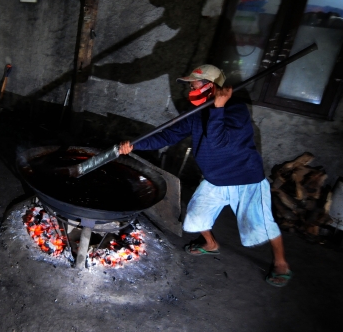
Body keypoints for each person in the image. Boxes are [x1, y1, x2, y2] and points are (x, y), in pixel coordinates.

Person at [118, 64, 293, 287]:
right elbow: (167, 136)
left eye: (194, 84)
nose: (190, 88)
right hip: (215, 178)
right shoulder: (195, 114)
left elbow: (218, 142)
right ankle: (210, 243)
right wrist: (134, 145)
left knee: (262, 224)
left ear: (210, 86)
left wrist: (218, 108)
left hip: (246, 179)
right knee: (196, 215)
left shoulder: (236, 110)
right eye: (190, 84)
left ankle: (281, 263)